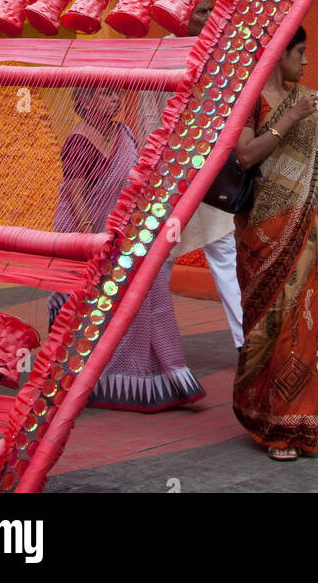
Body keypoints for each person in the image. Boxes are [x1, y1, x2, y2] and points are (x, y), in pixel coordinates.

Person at [49, 85, 205, 411]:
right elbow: (76, 195)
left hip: (126, 233)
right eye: (105, 94)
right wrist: (92, 242)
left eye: (116, 94)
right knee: (91, 307)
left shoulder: (124, 134)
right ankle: (87, 380)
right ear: (84, 101)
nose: (115, 100)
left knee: (147, 296)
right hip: (88, 234)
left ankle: (153, 377)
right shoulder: (79, 140)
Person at [232, 26, 318, 460]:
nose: (307, 61)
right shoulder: (252, 97)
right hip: (265, 232)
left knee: (307, 324)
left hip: (306, 229)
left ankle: (299, 422)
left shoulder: (312, 97)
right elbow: (245, 155)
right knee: (271, 323)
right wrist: (292, 116)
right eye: (300, 51)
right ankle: (268, 418)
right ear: (278, 54)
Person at [139, 0, 245, 350]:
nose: (209, 17)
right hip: (169, 176)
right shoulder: (160, 56)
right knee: (160, 259)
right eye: (202, 11)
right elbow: (148, 120)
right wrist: (154, 171)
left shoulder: (218, 53)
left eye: (211, 10)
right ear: (181, 15)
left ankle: (246, 345)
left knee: (223, 253)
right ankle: (151, 342)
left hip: (210, 172)